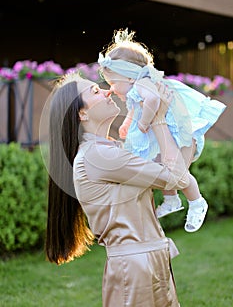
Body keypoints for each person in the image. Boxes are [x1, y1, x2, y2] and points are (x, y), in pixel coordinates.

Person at [45, 72, 190, 306]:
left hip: (149, 261)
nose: (107, 90)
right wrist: (159, 118)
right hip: (135, 269)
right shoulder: (99, 156)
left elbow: (172, 170)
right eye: (95, 91)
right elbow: (176, 177)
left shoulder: (110, 149)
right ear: (82, 114)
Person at [98, 28, 226, 232]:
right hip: (166, 134)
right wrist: (127, 123)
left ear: (130, 77)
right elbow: (133, 108)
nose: (111, 88)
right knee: (160, 166)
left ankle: (197, 202)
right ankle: (172, 199)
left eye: (113, 82)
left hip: (178, 130)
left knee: (178, 172)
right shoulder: (135, 90)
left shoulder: (144, 84)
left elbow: (154, 100)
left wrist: (143, 123)